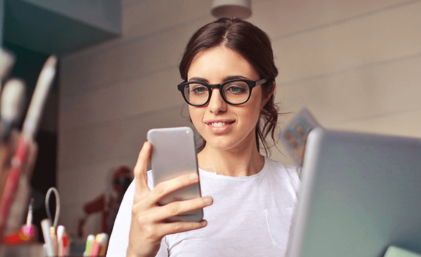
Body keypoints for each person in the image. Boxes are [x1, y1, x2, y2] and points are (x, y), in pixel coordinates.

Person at [107, 18, 301, 257]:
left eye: (235, 87)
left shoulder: (301, 187)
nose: (215, 106)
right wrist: (136, 252)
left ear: (266, 92)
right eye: (199, 89)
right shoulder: (153, 193)